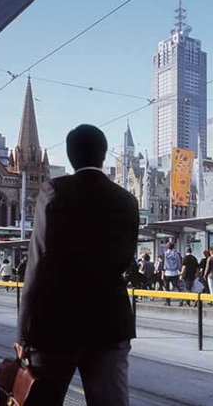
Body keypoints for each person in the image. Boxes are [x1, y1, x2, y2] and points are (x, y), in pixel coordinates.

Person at [16, 124, 138, 405]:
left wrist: (23, 333)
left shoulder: (54, 191)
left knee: (42, 400)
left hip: (57, 324)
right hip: (110, 321)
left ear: (71, 156)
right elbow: (125, 259)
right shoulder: (127, 201)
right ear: (104, 155)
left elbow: (38, 263)